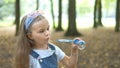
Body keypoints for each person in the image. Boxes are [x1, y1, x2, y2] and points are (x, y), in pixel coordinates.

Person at [15, 10, 81, 68]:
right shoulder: (29, 56)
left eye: (48, 29)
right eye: (41, 31)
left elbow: (70, 65)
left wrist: (74, 50)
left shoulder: (53, 49)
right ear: (30, 36)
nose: (47, 33)